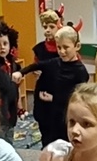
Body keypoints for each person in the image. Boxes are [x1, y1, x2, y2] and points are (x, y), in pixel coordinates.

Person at [19, 26, 88, 146]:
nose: (62, 51)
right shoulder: (55, 62)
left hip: (64, 116)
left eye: (66, 47)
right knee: (47, 141)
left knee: (63, 144)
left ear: (77, 46)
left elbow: (77, 97)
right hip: (48, 113)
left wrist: (54, 98)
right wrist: (21, 72)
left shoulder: (80, 71)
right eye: (59, 47)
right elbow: (37, 65)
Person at [20, 10, 65, 145]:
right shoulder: (39, 49)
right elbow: (36, 65)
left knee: (60, 124)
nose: (48, 30)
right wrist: (35, 71)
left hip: (59, 89)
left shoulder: (64, 48)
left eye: (51, 27)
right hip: (43, 88)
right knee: (44, 121)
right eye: (45, 27)